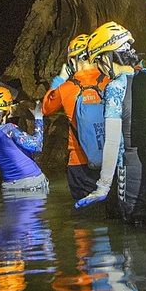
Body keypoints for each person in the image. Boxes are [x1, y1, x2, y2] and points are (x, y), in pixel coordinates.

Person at [74, 22, 146, 226]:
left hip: (130, 166)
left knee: (132, 228)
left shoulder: (115, 87)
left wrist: (103, 186)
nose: (99, 66)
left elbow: (113, 142)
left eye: (98, 60)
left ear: (107, 57)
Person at [40, 33, 108, 204]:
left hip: (79, 160)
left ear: (72, 62)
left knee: (83, 219)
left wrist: (60, 79)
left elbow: (46, 108)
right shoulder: (109, 81)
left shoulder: (66, 88)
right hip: (110, 158)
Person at [0, 84, 48, 196]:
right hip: (32, 183)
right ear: (9, 109)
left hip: (9, 186)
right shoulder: (10, 130)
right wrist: (39, 118)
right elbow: (37, 145)